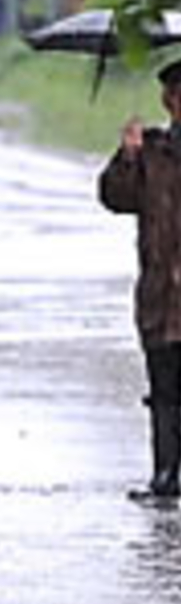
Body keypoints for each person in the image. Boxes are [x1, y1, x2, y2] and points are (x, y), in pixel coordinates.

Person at [99, 57, 181, 502]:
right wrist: (127, 155)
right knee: (164, 392)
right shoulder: (151, 152)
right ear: (169, 101)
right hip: (159, 296)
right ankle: (165, 476)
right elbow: (115, 197)